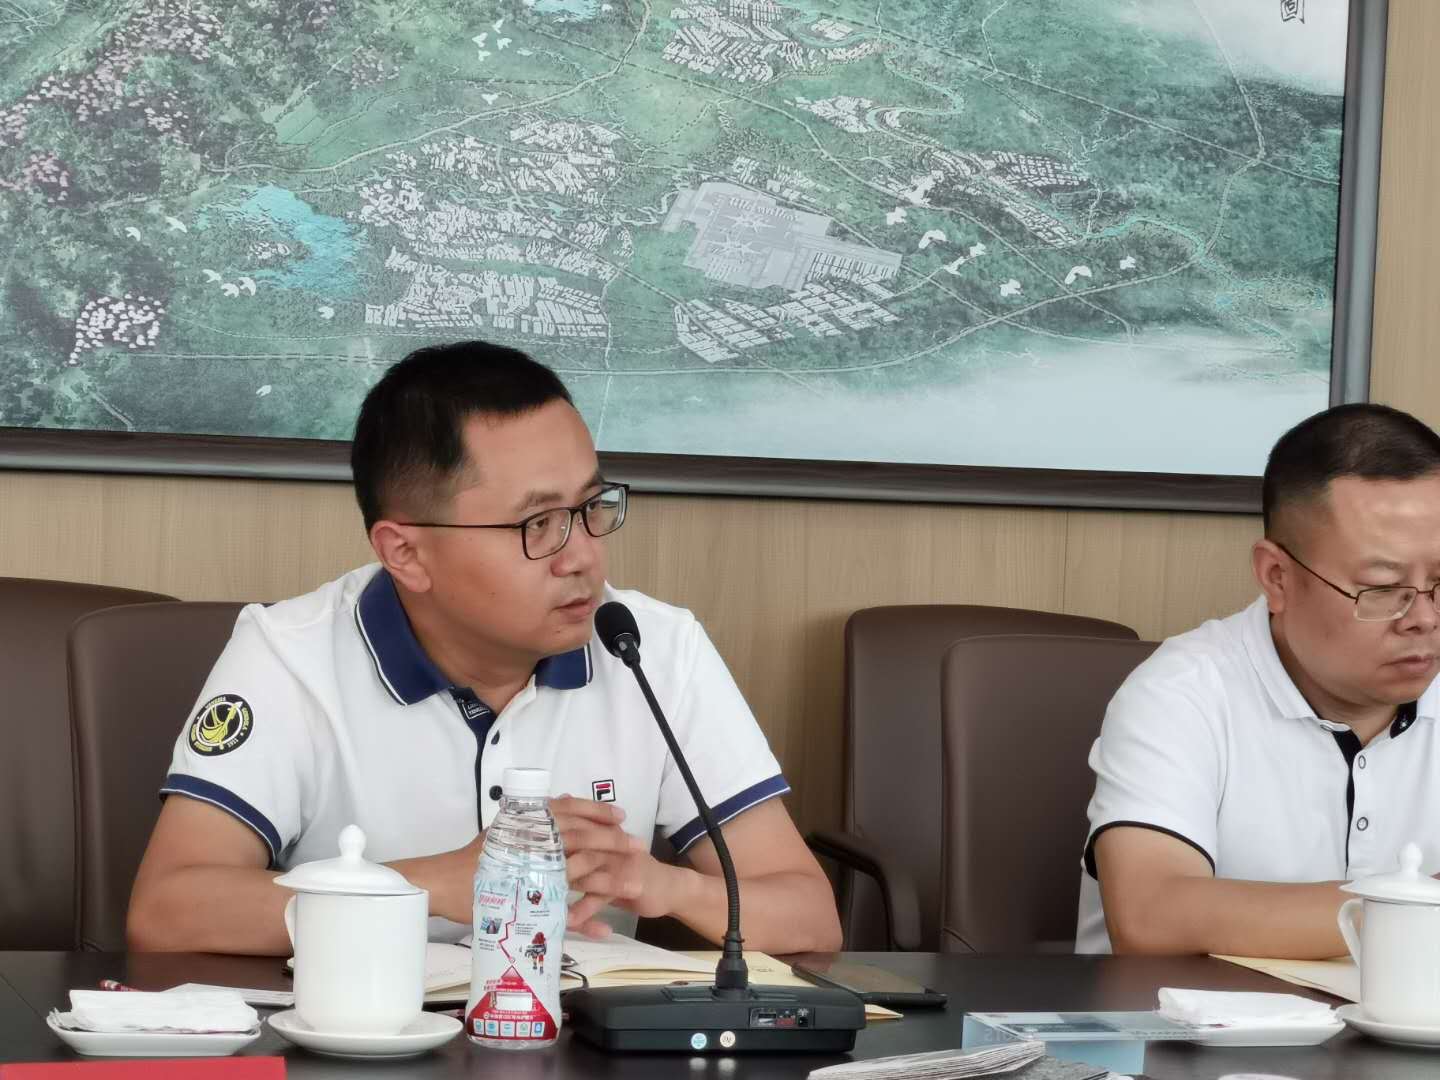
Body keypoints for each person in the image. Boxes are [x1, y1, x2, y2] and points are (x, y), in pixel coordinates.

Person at [127, 341, 842, 956]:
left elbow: (810, 916)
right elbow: (167, 913)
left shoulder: (651, 647)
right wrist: (435, 883)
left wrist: (664, 886)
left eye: (592, 508)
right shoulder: (289, 657)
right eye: (538, 525)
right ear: (405, 553)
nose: (583, 557)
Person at [1077, 403, 1440, 957]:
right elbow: (1151, 917)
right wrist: (1415, 910)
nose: (1424, 619)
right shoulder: (1182, 692)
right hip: (1177, 1015)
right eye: (1383, 589)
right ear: (1277, 578)